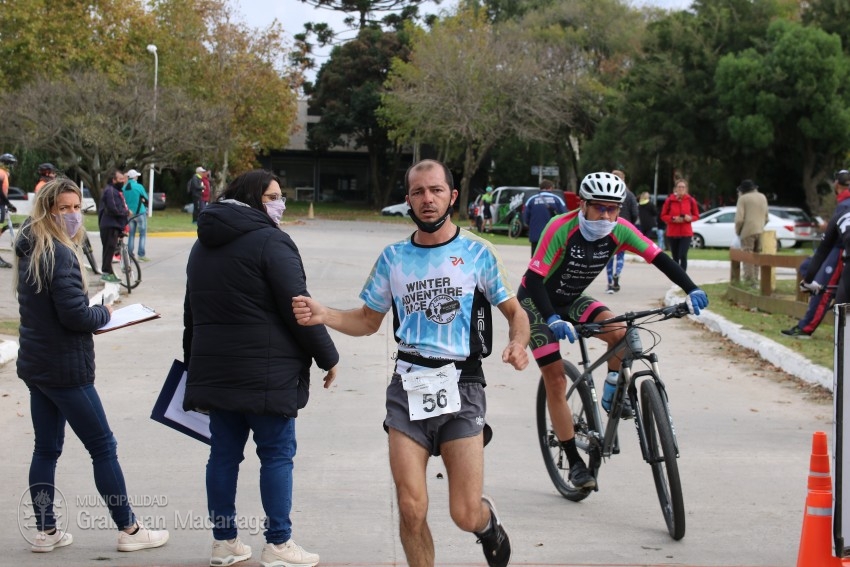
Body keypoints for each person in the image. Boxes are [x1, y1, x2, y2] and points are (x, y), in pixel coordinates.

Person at [292, 159, 530, 567]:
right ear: (408, 201)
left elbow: (516, 312)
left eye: (436, 190)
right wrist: (324, 314)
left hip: (463, 386)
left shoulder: (477, 252)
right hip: (408, 388)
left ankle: (485, 523)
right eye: (418, 192)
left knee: (463, 513)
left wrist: (519, 343)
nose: (428, 199)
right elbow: (368, 320)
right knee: (411, 508)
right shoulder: (394, 258)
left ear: (452, 196)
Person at [183, 169, 339, 567]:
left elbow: (192, 315)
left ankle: (224, 542)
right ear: (253, 199)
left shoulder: (201, 245)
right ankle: (279, 544)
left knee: (222, 456)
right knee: (276, 456)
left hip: (217, 372)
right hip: (267, 374)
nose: (279, 203)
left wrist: (194, 366)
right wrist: (328, 356)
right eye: (272, 196)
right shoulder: (272, 242)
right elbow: (298, 307)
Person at [517, 171, 708, 489]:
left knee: (620, 332)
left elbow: (659, 258)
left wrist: (691, 288)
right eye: (599, 208)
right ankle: (575, 464)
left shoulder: (620, 230)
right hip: (537, 305)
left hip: (573, 299)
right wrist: (551, 319)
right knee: (555, 379)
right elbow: (535, 280)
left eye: (613, 208)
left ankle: (611, 391)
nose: (606, 215)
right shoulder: (561, 228)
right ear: (583, 204)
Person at [15, 178, 169, 554]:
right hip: (65, 369)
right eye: (63, 208)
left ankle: (46, 531)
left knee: (46, 450)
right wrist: (104, 311)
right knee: (103, 446)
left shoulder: (30, 246)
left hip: (38, 365)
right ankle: (130, 530)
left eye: (75, 208)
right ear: (47, 208)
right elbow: (75, 316)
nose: (71, 215)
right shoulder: (59, 253)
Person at [789, 169, 850, 337]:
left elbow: (828, 242)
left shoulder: (844, 205)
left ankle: (806, 327)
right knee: (807, 267)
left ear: (836, 185)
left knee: (823, 289)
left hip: (839, 250)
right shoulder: (841, 204)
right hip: (836, 247)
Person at [605, 169, 639, 293]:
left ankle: (609, 284)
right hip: (624, 229)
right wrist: (630, 223)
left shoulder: (606, 193)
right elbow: (635, 212)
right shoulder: (629, 195)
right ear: (623, 180)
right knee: (620, 255)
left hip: (608, 227)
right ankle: (617, 274)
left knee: (608, 256)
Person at [660, 178, 700, 271]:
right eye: (679, 187)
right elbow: (663, 216)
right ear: (675, 189)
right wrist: (673, 218)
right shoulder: (669, 200)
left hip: (686, 232)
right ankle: (676, 277)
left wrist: (690, 218)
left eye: (683, 187)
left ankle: (683, 277)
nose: (681, 189)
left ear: (686, 189)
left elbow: (696, 215)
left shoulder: (691, 200)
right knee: (675, 257)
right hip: (673, 232)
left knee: (683, 255)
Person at [734, 179, 769, 284]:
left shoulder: (743, 199)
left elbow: (739, 219)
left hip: (747, 231)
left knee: (747, 256)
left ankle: (749, 281)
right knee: (757, 256)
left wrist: (738, 231)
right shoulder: (762, 197)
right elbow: (766, 217)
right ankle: (756, 280)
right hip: (760, 230)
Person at [97, 169, 129, 283]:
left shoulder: (116, 191)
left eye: (123, 179)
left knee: (111, 250)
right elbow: (114, 208)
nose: (122, 181)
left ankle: (109, 272)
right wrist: (126, 212)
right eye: (120, 179)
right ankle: (106, 273)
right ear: (114, 180)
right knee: (108, 249)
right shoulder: (110, 191)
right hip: (109, 225)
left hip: (114, 225)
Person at [522, 179, 566, 255]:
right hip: (552, 236)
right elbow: (565, 216)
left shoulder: (531, 200)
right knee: (550, 259)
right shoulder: (557, 199)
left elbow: (525, 218)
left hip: (536, 236)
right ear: (550, 187)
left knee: (535, 259)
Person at [122, 169, 149, 261]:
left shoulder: (124, 188)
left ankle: (130, 255)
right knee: (142, 234)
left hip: (129, 214)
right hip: (140, 212)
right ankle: (141, 255)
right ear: (134, 177)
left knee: (131, 234)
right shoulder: (138, 186)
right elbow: (146, 197)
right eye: (136, 176)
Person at [0, 153, 18, 268]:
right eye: (11, 164)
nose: (12, 167)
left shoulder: (3, 173)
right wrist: (8, 204)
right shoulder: (1, 173)